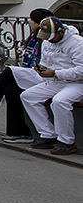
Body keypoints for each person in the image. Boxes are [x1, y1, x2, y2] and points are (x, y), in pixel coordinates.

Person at [0, 8, 50, 143]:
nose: (29, 22)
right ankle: (19, 133)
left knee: (9, 72)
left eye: (32, 20)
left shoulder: (46, 41)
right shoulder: (34, 39)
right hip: (31, 75)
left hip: (43, 77)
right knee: (11, 89)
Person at [16, 16, 83, 155]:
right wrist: (41, 68)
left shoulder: (77, 43)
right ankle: (47, 134)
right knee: (28, 96)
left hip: (77, 83)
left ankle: (67, 142)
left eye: (52, 37)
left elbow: (81, 70)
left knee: (59, 101)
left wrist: (55, 73)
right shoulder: (47, 42)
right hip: (55, 81)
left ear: (61, 32)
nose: (49, 40)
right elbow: (46, 61)